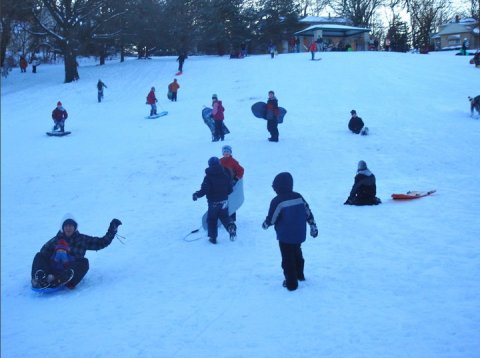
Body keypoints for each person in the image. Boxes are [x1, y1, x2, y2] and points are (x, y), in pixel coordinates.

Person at [31, 214, 122, 289]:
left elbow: (101, 243)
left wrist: (112, 230)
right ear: (63, 228)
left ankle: (65, 279)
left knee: (84, 262)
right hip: (54, 268)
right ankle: (40, 277)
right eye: (66, 226)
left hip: (69, 270)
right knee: (39, 255)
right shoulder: (56, 239)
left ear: (75, 227)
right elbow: (43, 253)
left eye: (71, 226)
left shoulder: (82, 239)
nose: (68, 228)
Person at [262, 172, 318, 291]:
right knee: (297, 253)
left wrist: (266, 224)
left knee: (287, 258)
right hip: (299, 233)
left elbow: (272, 219)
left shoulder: (277, 201)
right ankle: (299, 275)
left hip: (285, 235)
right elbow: (307, 211)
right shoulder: (298, 196)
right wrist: (313, 225)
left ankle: (291, 283)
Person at [192, 157, 237, 244]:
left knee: (212, 219)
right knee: (224, 217)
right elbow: (230, 189)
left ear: (209, 165)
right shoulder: (225, 174)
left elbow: (204, 190)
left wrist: (196, 194)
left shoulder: (208, 177)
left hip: (213, 203)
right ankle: (230, 226)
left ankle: (213, 238)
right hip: (224, 201)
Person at [219, 145, 245, 221]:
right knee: (222, 200)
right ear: (223, 153)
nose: (226, 153)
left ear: (230, 153)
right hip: (221, 184)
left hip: (230, 184)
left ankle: (232, 218)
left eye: (228, 152)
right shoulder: (219, 161)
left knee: (231, 200)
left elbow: (241, 170)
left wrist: (236, 179)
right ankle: (222, 217)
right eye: (225, 152)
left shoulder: (233, 162)